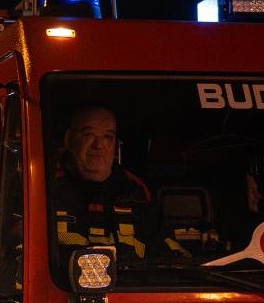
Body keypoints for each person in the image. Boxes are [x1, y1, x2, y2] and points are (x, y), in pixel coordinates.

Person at [47, 105, 180, 261]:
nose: (98, 145)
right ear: (68, 139)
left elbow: (169, 256)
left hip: (130, 278)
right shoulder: (44, 188)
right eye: (88, 134)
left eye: (108, 137)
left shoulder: (135, 191)